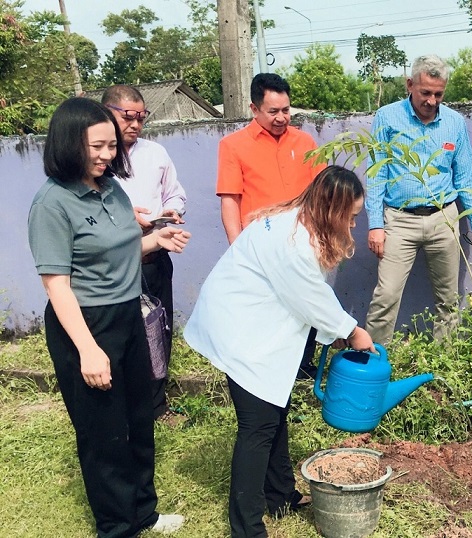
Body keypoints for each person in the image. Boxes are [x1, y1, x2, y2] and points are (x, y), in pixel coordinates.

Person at [27, 97, 191, 537]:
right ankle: (117, 526)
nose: (106, 155)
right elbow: (57, 285)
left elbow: (119, 252)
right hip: (86, 324)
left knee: (138, 420)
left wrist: (156, 241)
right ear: (68, 143)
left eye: (111, 145)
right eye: (96, 146)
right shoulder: (53, 203)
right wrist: (88, 350)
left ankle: (144, 513)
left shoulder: (112, 188)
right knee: (103, 433)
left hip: (128, 315)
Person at [184, 165, 374, 538]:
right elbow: (310, 296)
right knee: (257, 428)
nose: (353, 225)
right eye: (350, 217)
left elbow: (309, 293)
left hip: (252, 325)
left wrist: (336, 327)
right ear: (332, 210)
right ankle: (247, 528)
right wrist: (352, 332)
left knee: (275, 411)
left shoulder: (297, 221)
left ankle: (280, 495)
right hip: (241, 332)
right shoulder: (293, 243)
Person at [365, 54, 472, 344]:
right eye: (425, 93)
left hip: (444, 218)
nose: (432, 101)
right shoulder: (387, 117)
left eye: (438, 94)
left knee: (448, 299)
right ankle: (373, 360)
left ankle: (445, 359)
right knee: (386, 296)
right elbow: (376, 174)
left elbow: (465, 178)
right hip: (399, 221)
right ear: (410, 85)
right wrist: (375, 225)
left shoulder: (454, 123)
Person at [217, 72, 327, 379]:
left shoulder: (305, 142)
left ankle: (303, 367)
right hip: (260, 246)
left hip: (303, 240)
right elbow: (230, 200)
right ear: (254, 109)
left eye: (286, 110)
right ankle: (268, 367)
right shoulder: (233, 146)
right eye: (273, 111)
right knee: (267, 307)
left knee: (307, 301)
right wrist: (237, 247)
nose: (281, 118)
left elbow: (322, 191)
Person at [102, 84, 187, 426]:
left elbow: (175, 193)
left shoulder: (155, 154)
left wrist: (171, 209)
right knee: (121, 335)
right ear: (107, 113)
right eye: (128, 116)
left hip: (155, 259)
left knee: (158, 330)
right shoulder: (95, 159)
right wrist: (127, 218)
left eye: (141, 117)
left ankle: (156, 405)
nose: (136, 124)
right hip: (115, 265)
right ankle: (121, 406)